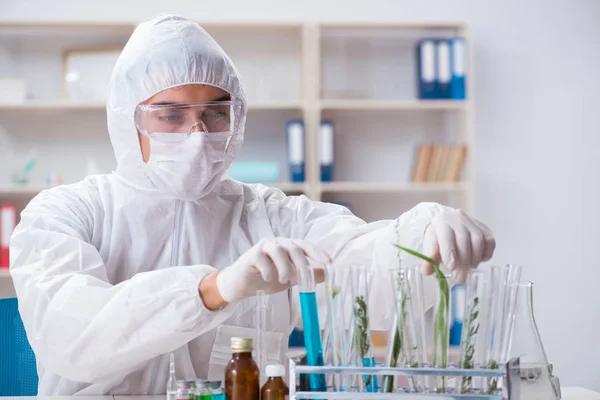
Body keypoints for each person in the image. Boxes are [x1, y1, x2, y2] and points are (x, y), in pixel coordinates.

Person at [9, 14, 495, 395]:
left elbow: (355, 256)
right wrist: (212, 290)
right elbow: (69, 334)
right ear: (126, 120)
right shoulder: (65, 214)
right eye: (171, 114)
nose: (197, 134)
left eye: (214, 113)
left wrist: (421, 234)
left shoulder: (271, 215)